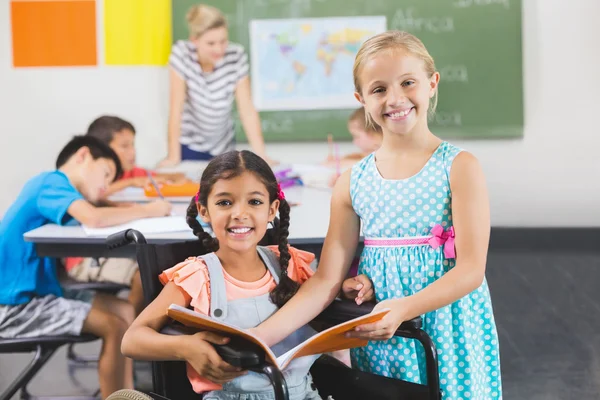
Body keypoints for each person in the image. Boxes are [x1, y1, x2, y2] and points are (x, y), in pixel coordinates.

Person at [251, 31, 502, 399]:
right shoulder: (352, 182)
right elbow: (326, 282)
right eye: (379, 89)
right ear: (361, 99)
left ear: (432, 84)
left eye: (408, 83)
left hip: (450, 330)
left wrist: (405, 307)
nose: (395, 98)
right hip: (385, 338)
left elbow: (470, 270)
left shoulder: (459, 167)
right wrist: (260, 338)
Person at [119, 150, 322, 399]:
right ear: (204, 211)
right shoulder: (197, 277)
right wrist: (184, 347)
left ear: (272, 210)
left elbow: (322, 303)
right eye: (225, 202)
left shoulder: (289, 264)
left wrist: (347, 289)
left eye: (255, 202)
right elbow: (131, 340)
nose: (239, 213)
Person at [0, 136, 168, 398]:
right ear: (83, 156)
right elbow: (93, 217)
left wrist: (124, 206)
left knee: (124, 310)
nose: (105, 186)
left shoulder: (58, 190)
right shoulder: (51, 181)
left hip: (39, 294)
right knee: (114, 326)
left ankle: (128, 393)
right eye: (106, 174)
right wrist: (148, 211)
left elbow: (97, 209)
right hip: (13, 306)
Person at [158, 4, 273, 167]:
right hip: (189, 145)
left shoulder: (236, 55)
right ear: (195, 40)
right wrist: (173, 157)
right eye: (211, 43)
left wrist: (262, 155)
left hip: (223, 145)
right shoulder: (181, 54)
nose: (219, 49)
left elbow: (247, 110)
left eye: (223, 41)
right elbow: (176, 109)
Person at [86, 115, 187, 197]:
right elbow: (92, 194)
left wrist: (172, 178)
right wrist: (131, 183)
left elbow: (174, 177)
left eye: (132, 145)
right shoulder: (88, 173)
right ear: (101, 149)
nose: (133, 152)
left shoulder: (130, 172)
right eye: (124, 146)